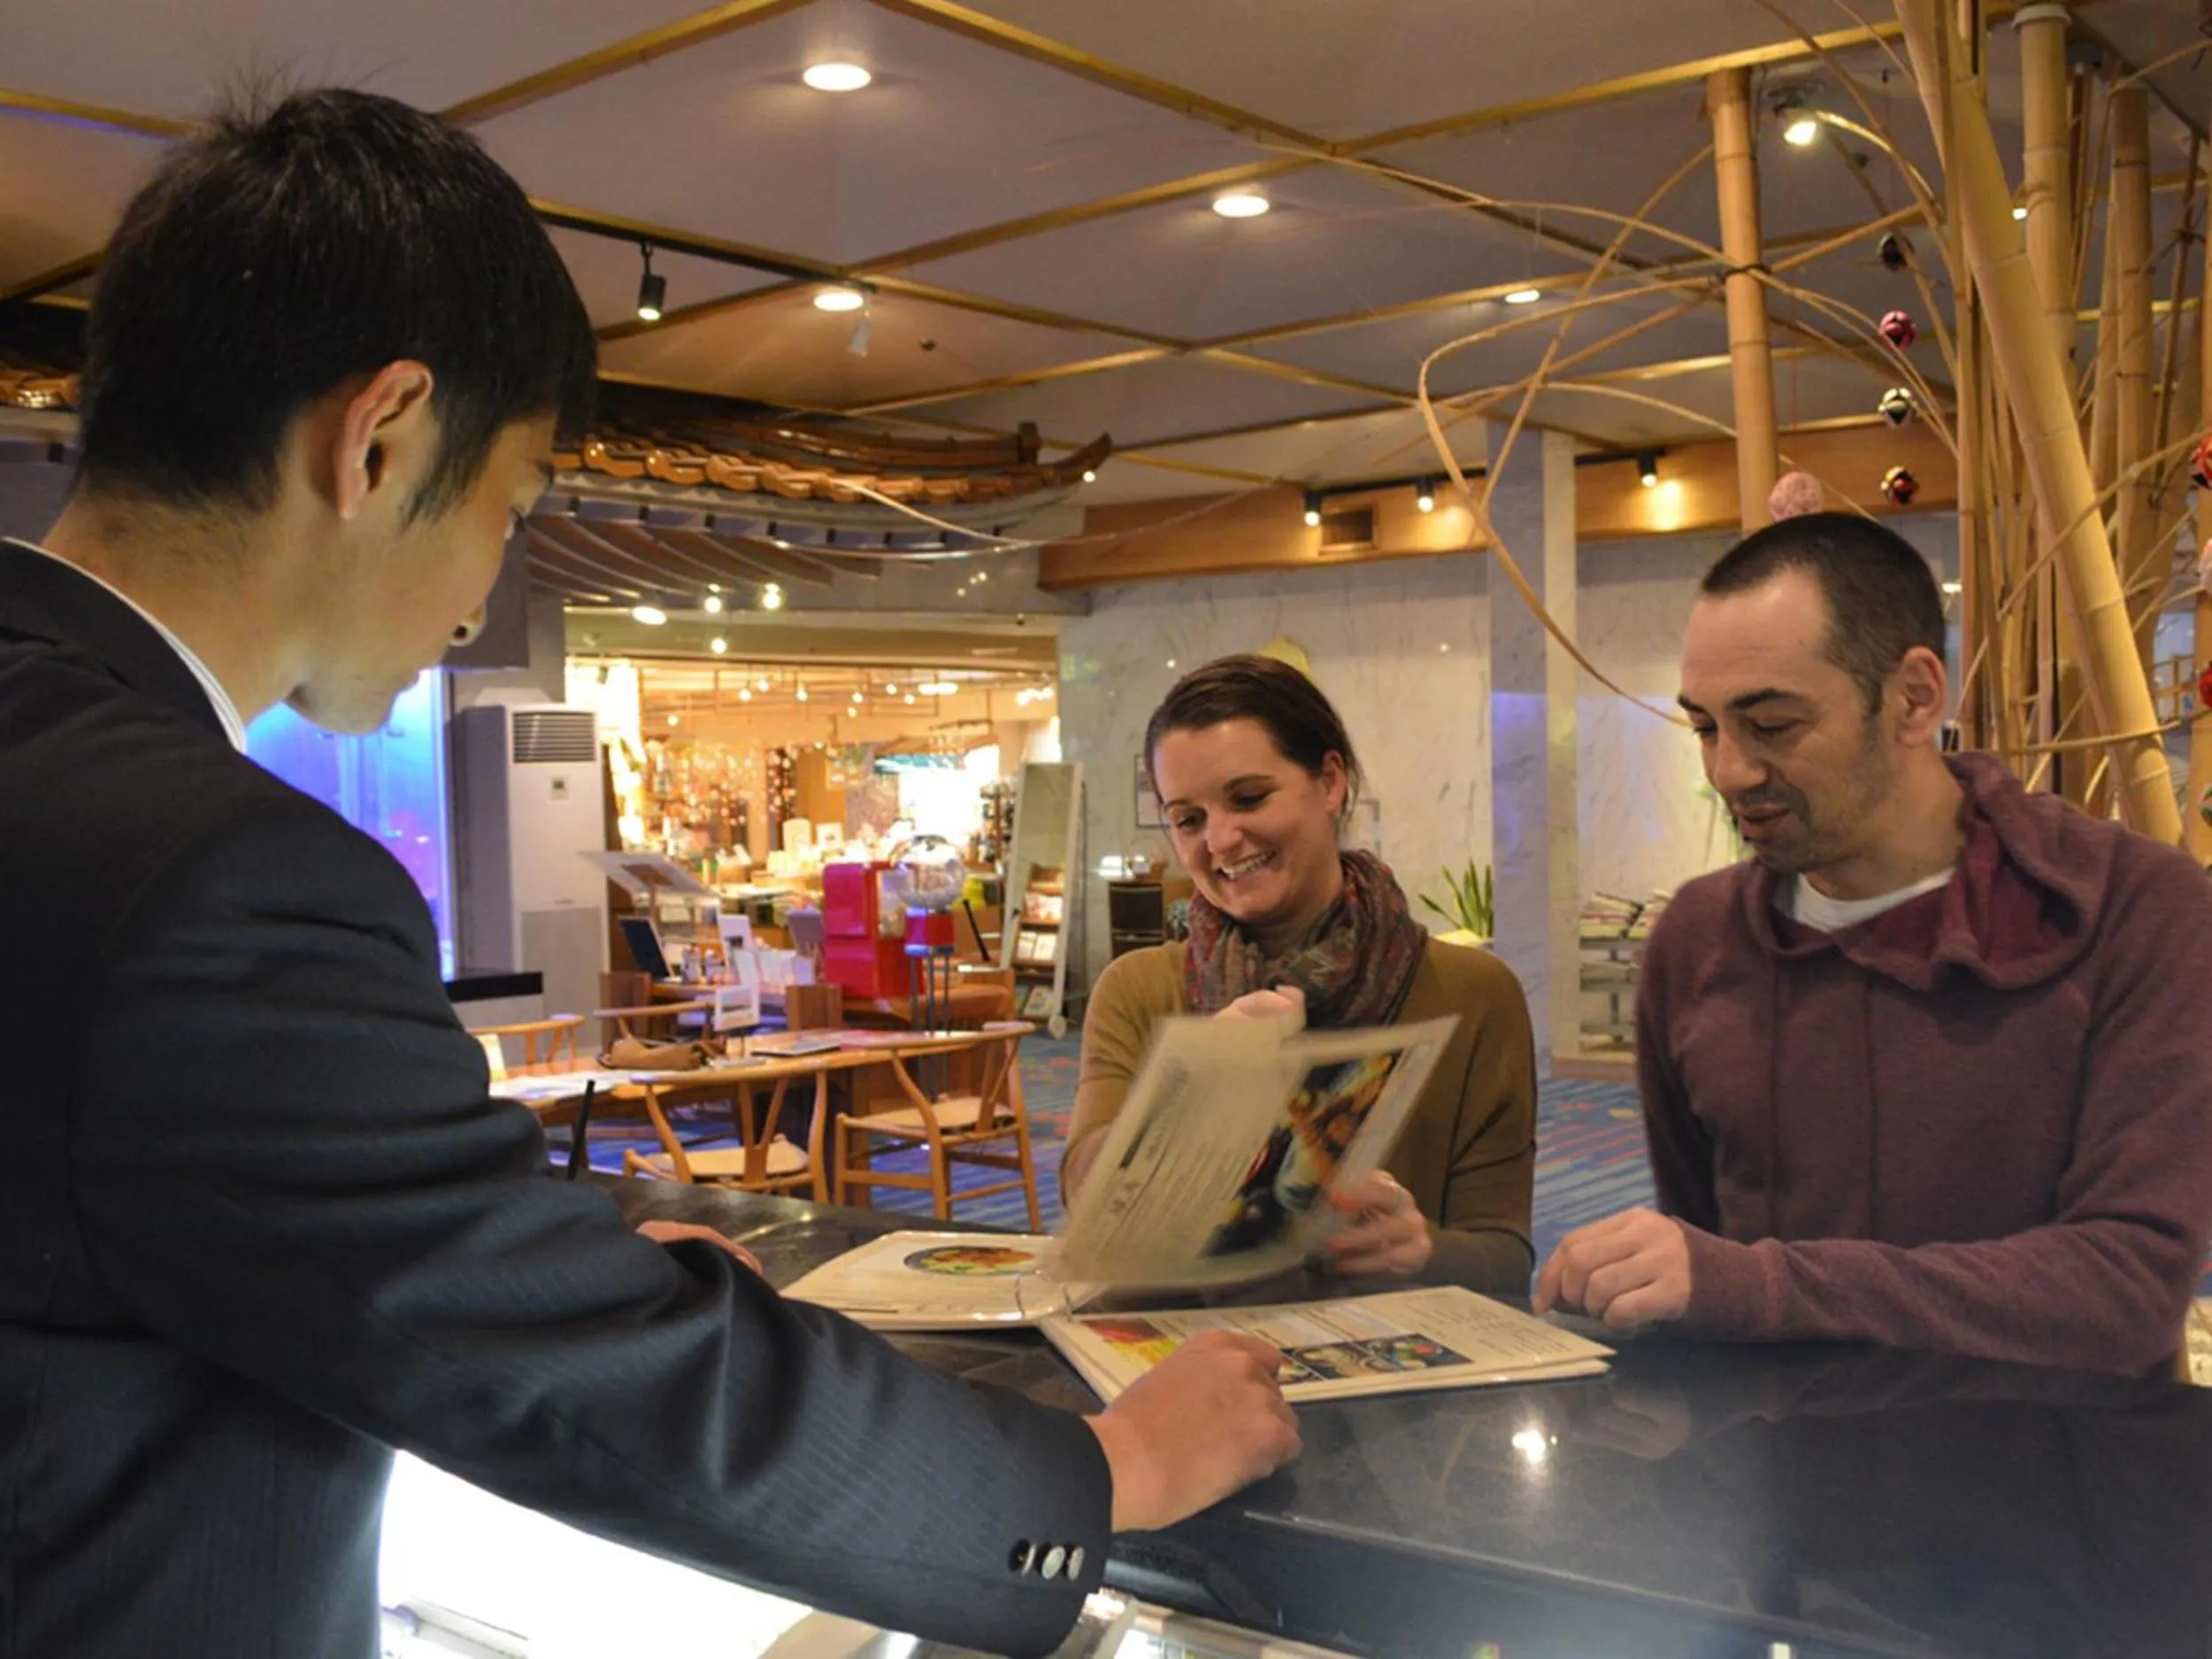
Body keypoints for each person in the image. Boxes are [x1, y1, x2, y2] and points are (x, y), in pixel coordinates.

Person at [0, 89, 1298, 1659]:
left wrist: (528, 1254)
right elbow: (586, 1390)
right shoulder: (212, 875)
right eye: (513, 507)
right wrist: (1098, 1471)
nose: (485, 590)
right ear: (383, 438)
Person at [1535, 512, 2212, 1376]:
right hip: (1782, 1486)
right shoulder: (1696, 939)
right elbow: (1702, 1267)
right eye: (1705, 728)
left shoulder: (2129, 907)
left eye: (1771, 725)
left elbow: (2128, 1289)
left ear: (1915, 698)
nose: (1727, 772)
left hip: (2065, 1486)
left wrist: (1763, 1286)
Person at [1063, 654, 1537, 1291]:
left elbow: (1504, 1257)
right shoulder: (1139, 988)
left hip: (1386, 1362)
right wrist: (1201, 1087)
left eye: (1249, 797)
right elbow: (1084, 1197)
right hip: (1187, 1358)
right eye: (1189, 818)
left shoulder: (1472, 994)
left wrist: (1421, 1250)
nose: (1222, 839)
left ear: (1331, 781)